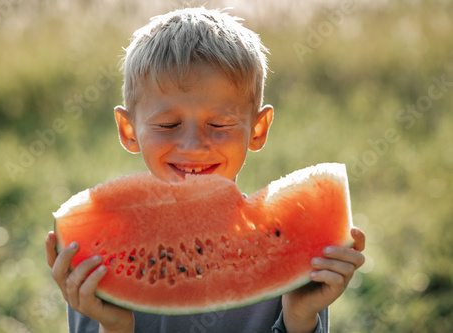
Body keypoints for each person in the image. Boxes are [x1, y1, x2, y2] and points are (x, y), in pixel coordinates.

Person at [45, 7, 365, 333]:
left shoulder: (293, 251)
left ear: (258, 129)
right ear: (128, 131)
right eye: (168, 124)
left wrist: (299, 319)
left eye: (219, 124)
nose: (194, 145)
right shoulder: (99, 256)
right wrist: (114, 328)